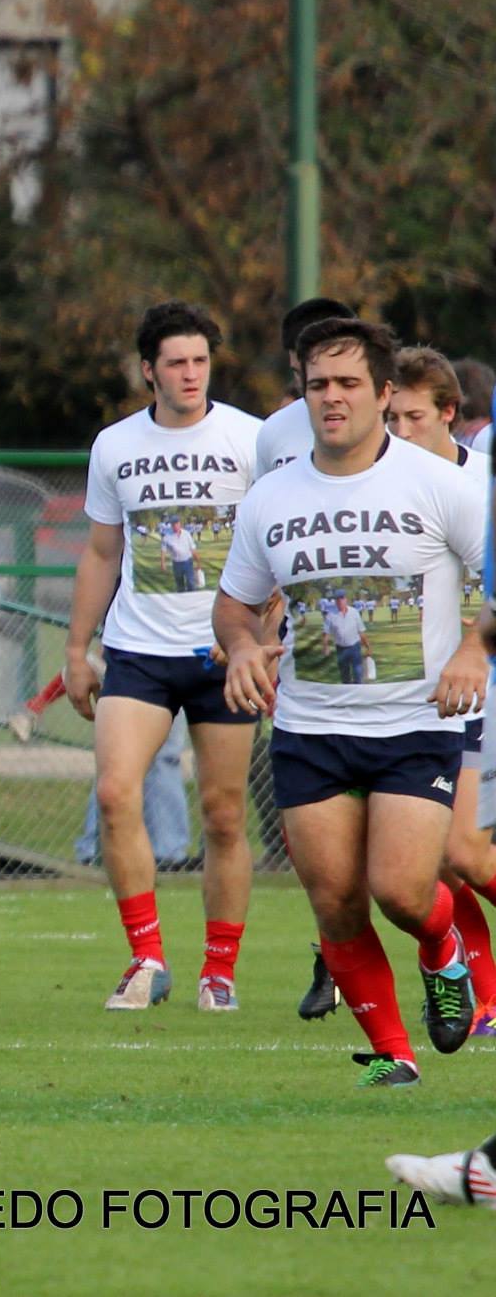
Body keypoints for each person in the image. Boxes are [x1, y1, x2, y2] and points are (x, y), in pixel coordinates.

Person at [217, 317, 487, 1087]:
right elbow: (234, 603)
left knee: (400, 890)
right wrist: (241, 647)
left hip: (414, 721)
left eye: (347, 383)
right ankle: (393, 1056)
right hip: (308, 728)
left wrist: (473, 649)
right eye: (316, 384)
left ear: (382, 391)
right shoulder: (270, 496)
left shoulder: (440, 485)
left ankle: (441, 950)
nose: (330, 397)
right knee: (334, 902)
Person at [60, 300, 264, 1013]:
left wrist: (255, 638)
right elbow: (100, 552)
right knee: (115, 792)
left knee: (223, 814)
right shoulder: (114, 445)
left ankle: (218, 970)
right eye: (176, 363)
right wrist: (75, 648)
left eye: (200, 360)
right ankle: (146, 957)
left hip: (221, 655)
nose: (190, 374)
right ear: (148, 370)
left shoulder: (251, 438)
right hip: (138, 650)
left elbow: (277, 545)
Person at [377, 346, 496, 1039]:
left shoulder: (479, 482)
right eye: (390, 417)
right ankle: (485, 999)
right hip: (430, 700)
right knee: (442, 863)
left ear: (448, 413)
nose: (399, 430)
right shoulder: (385, 487)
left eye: (412, 417)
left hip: (485, 689)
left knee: (462, 854)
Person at [253, 296, 359, 475]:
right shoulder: (274, 430)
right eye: (298, 373)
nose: (307, 385)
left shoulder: (390, 424)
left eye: (319, 377)